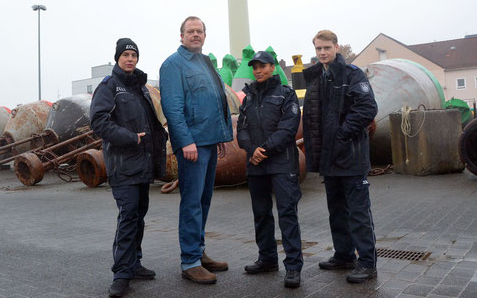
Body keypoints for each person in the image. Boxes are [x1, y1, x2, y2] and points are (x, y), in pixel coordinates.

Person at [90, 38, 168, 297]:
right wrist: (131, 137)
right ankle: (121, 274)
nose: (130, 58)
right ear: (117, 58)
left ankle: (134, 264)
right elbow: (99, 122)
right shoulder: (109, 86)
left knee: (138, 216)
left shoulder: (140, 88)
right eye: (125, 54)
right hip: (123, 166)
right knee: (128, 218)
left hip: (143, 165)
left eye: (134, 54)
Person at [159, 16, 233, 284]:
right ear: (181, 36)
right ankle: (189, 261)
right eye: (190, 31)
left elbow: (217, 99)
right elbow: (172, 107)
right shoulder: (172, 65)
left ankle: (199, 251)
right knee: (191, 202)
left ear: (204, 35)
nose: (195, 35)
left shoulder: (205, 62)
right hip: (192, 145)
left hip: (210, 141)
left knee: (204, 200)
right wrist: (185, 140)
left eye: (199, 31)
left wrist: (223, 133)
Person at [301, 30, 378, 283]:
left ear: (336, 48)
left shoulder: (352, 74)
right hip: (329, 158)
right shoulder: (316, 78)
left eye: (326, 48)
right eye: (318, 49)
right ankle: (344, 255)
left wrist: (342, 135)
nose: (322, 52)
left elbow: (367, 108)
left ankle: (367, 263)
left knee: (358, 212)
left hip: (351, 156)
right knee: (336, 211)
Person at [236, 51, 303, 289]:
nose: (258, 71)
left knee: (287, 214)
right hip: (256, 166)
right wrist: (251, 149)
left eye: (262, 66)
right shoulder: (248, 97)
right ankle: (267, 259)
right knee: (261, 214)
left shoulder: (286, 94)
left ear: (272, 68)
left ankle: (293, 267)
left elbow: (288, 129)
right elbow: (241, 129)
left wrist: (261, 150)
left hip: (282, 164)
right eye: (254, 67)